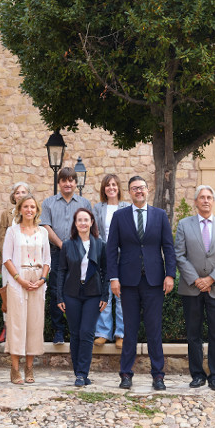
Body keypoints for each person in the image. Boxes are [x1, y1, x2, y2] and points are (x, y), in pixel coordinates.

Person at [106, 176, 176, 391]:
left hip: (154, 282)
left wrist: (170, 275)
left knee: (154, 330)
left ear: (148, 190)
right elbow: (111, 250)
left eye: (142, 188)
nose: (139, 191)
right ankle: (126, 374)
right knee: (130, 330)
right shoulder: (119, 216)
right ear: (129, 192)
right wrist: (114, 278)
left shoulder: (160, 215)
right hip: (128, 282)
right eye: (134, 188)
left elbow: (168, 247)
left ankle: (158, 375)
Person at [175, 185, 215, 391]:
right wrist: (196, 279)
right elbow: (179, 255)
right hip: (191, 288)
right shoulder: (184, 225)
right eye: (202, 197)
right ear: (196, 201)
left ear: (214, 200)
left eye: (209, 197)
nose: (206, 200)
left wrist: (210, 279)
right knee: (193, 333)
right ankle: (197, 375)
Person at [55, 208, 109, 387]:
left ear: (92, 222)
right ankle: (79, 373)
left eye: (86, 220)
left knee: (87, 332)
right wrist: (59, 297)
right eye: (80, 220)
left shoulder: (100, 244)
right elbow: (61, 271)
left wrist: (105, 295)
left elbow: (105, 271)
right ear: (75, 223)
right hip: (71, 294)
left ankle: (82, 372)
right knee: (76, 333)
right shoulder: (68, 244)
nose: (83, 223)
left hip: (93, 294)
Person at [41, 167, 92, 345]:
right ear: (59, 183)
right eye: (64, 180)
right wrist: (63, 246)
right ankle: (58, 331)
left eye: (71, 180)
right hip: (56, 252)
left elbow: (89, 227)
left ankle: (75, 330)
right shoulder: (48, 203)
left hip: (80, 251)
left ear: (75, 183)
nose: (68, 183)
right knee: (56, 289)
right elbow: (45, 226)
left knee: (78, 289)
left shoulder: (84, 203)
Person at [3, 195, 51, 384]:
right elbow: (7, 258)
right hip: (18, 282)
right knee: (17, 325)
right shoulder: (12, 231)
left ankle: (29, 367)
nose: (29, 210)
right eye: (26, 206)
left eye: (32, 206)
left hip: (38, 282)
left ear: (36, 210)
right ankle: (15, 369)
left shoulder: (43, 233)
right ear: (20, 209)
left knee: (34, 325)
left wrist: (42, 279)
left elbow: (47, 259)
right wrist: (19, 279)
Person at [91, 174, 130, 349]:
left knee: (121, 295)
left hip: (124, 256)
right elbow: (95, 232)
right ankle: (103, 332)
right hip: (104, 255)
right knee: (104, 293)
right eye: (108, 185)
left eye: (114, 184)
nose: (111, 188)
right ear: (103, 189)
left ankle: (121, 334)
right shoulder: (98, 208)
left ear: (119, 188)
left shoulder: (127, 207)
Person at [0, 181, 31, 345]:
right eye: (17, 192)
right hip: (9, 263)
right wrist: (8, 259)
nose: (20, 195)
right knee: (8, 295)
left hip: (27, 263)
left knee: (26, 297)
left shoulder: (32, 213)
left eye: (24, 192)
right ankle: (7, 328)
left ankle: (24, 331)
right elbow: (2, 238)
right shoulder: (6, 215)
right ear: (13, 196)